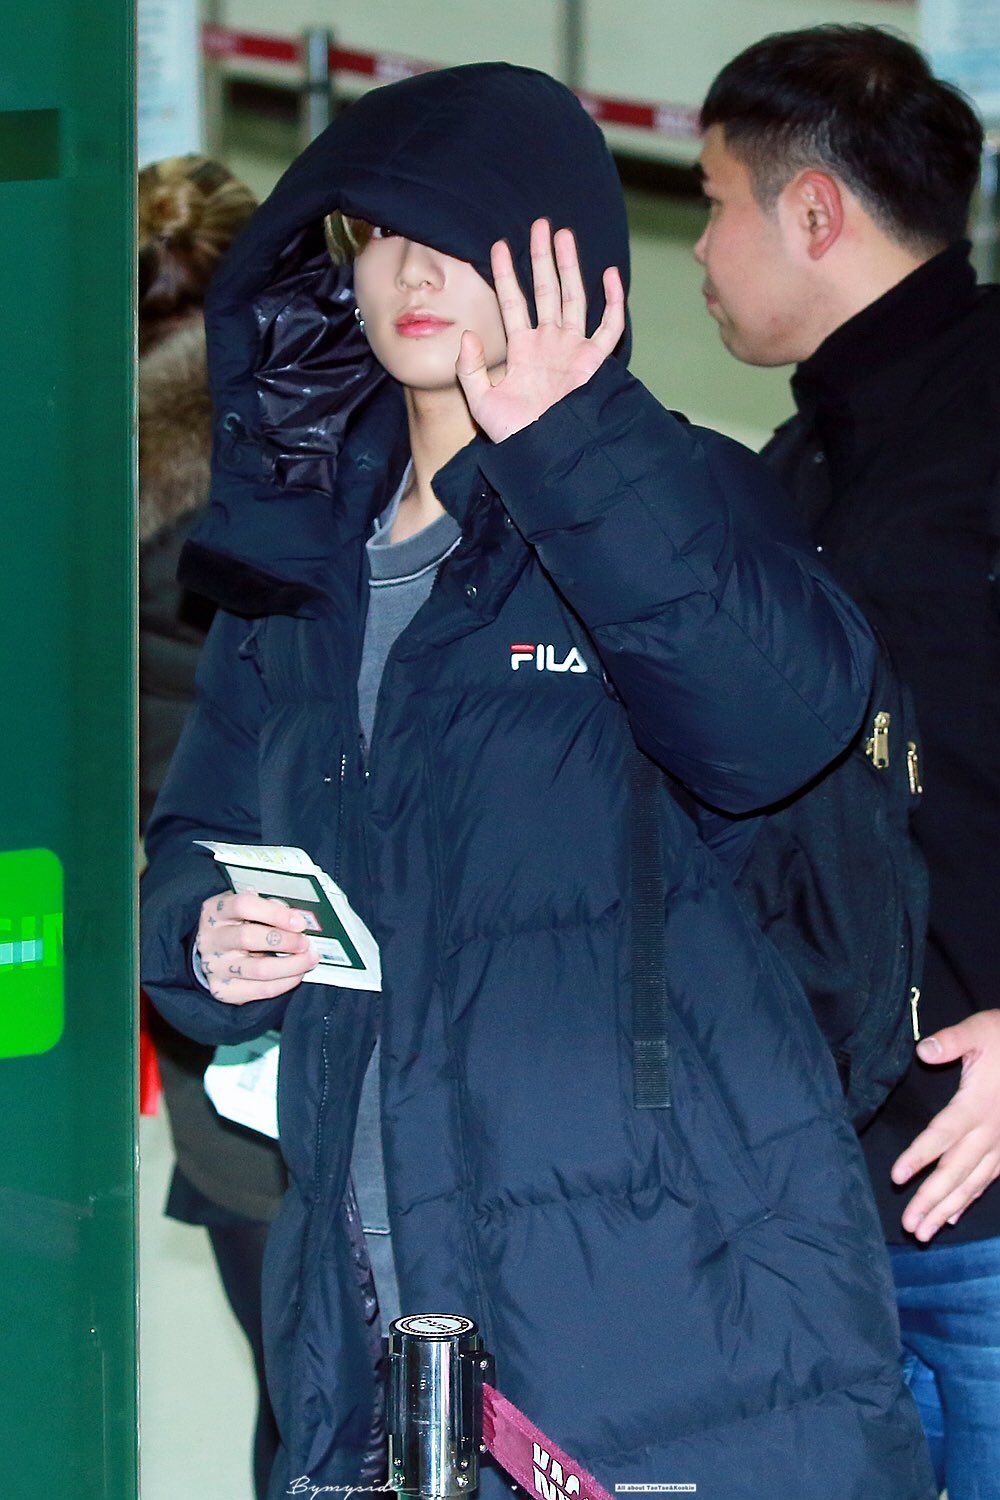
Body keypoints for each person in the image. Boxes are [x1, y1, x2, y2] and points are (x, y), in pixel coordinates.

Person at [141, 63, 935, 1499]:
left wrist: (572, 448)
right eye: (381, 234)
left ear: (565, 265)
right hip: (368, 1289)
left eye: (463, 238)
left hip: (667, 1291)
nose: (413, 273)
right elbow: (198, 831)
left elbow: (776, 727)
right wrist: (202, 936)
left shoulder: (672, 493)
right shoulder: (298, 560)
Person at [696, 25, 1000, 1497]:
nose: (700, 247)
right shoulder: (803, 465)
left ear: (811, 211)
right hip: (829, 1209)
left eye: (713, 203)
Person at [138, 154, 285, 1499]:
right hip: (313, 955)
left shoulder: (62, 486)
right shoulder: (304, 479)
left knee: (285, 1392)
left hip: (190, 968)